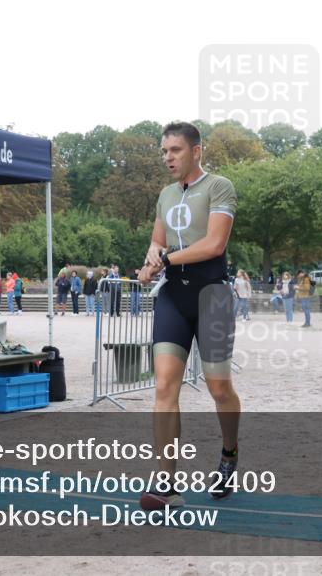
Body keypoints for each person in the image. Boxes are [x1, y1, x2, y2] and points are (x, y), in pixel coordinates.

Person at [135, 121, 240, 510]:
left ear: (197, 151)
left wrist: (164, 259)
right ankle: (166, 483)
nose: (168, 158)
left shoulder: (219, 186)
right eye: (164, 151)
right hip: (173, 297)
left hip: (212, 296)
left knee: (218, 388)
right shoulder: (164, 194)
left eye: (175, 150)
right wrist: (151, 260)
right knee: (164, 386)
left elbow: (214, 244)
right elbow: (157, 240)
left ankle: (229, 454)